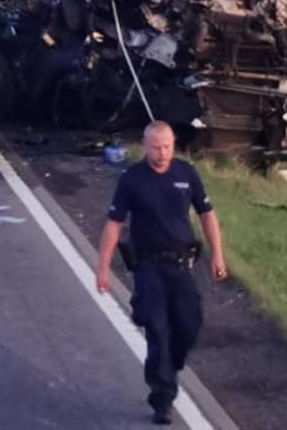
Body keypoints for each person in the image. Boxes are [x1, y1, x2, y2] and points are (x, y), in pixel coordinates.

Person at [96, 121, 229, 426]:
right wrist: (102, 268)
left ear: (174, 144)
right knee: (158, 329)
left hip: (181, 264)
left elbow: (207, 214)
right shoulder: (132, 179)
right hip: (148, 267)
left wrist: (217, 256)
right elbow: (114, 224)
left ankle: (171, 365)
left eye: (167, 146)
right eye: (156, 146)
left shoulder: (186, 174)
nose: (162, 152)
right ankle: (162, 398)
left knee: (189, 323)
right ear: (145, 145)